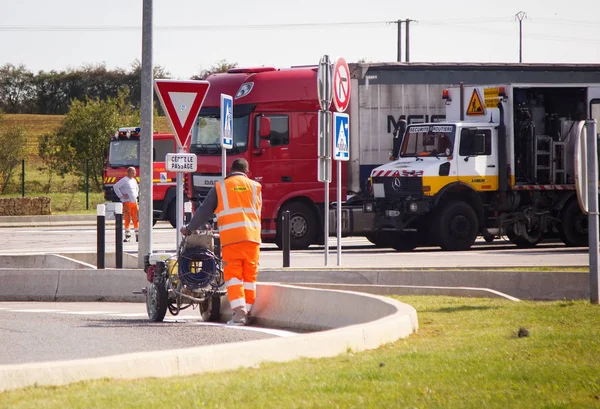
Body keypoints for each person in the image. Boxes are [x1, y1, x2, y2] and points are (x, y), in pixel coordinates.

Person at [181, 158, 262, 326]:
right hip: (253, 239)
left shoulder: (222, 187)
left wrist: (189, 228)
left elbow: (204, 211)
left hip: (232, 239)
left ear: (230, 171)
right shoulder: (255, 187)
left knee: (233, 277)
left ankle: (239, 314)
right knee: (249, 276)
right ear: (247, 172)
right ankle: (248, 310)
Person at [113, 167, 139, 242]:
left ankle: (137, 234)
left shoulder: (134, 180)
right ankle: (128, 235)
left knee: (136, 219)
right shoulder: (124, 180)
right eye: (133, 172)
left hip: (134, 202)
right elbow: (116, 186)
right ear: (128, 172)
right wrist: (121, 195)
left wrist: (136, 195)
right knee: (127, 218)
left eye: (135, 172)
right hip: (127, 202)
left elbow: (137, 188)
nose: (135, 173)